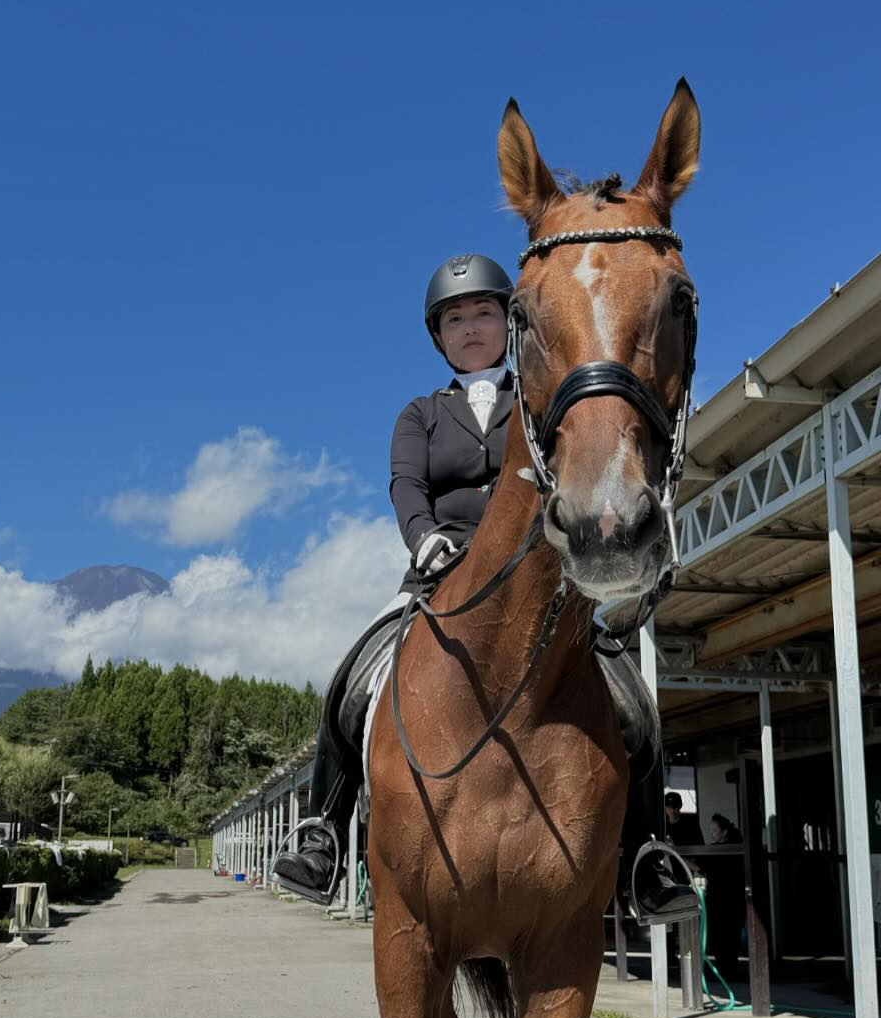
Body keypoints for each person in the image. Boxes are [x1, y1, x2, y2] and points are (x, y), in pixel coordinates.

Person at [272, 254, 698, 926]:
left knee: (632, 702)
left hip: (540, 580)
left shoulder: (540, 401)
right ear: (438, 337)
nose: (470, 328)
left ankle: (648, 852)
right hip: (435, 573)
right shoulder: (420, 415)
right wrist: (423, 539)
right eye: (454, 320)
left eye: (483, 314)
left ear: (512, 324)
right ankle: (323, 833)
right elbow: (406, 487)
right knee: (350, 681)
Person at [702, 812, 746, 981]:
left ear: (724, 832)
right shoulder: (724, 849)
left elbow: (701, 864)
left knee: (724, 938)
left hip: (724, 899)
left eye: (714, 830)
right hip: (726, 899)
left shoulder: (726, 850)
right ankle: (728, 971)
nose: (712, 833)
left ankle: (726, 971)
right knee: (727, 938)